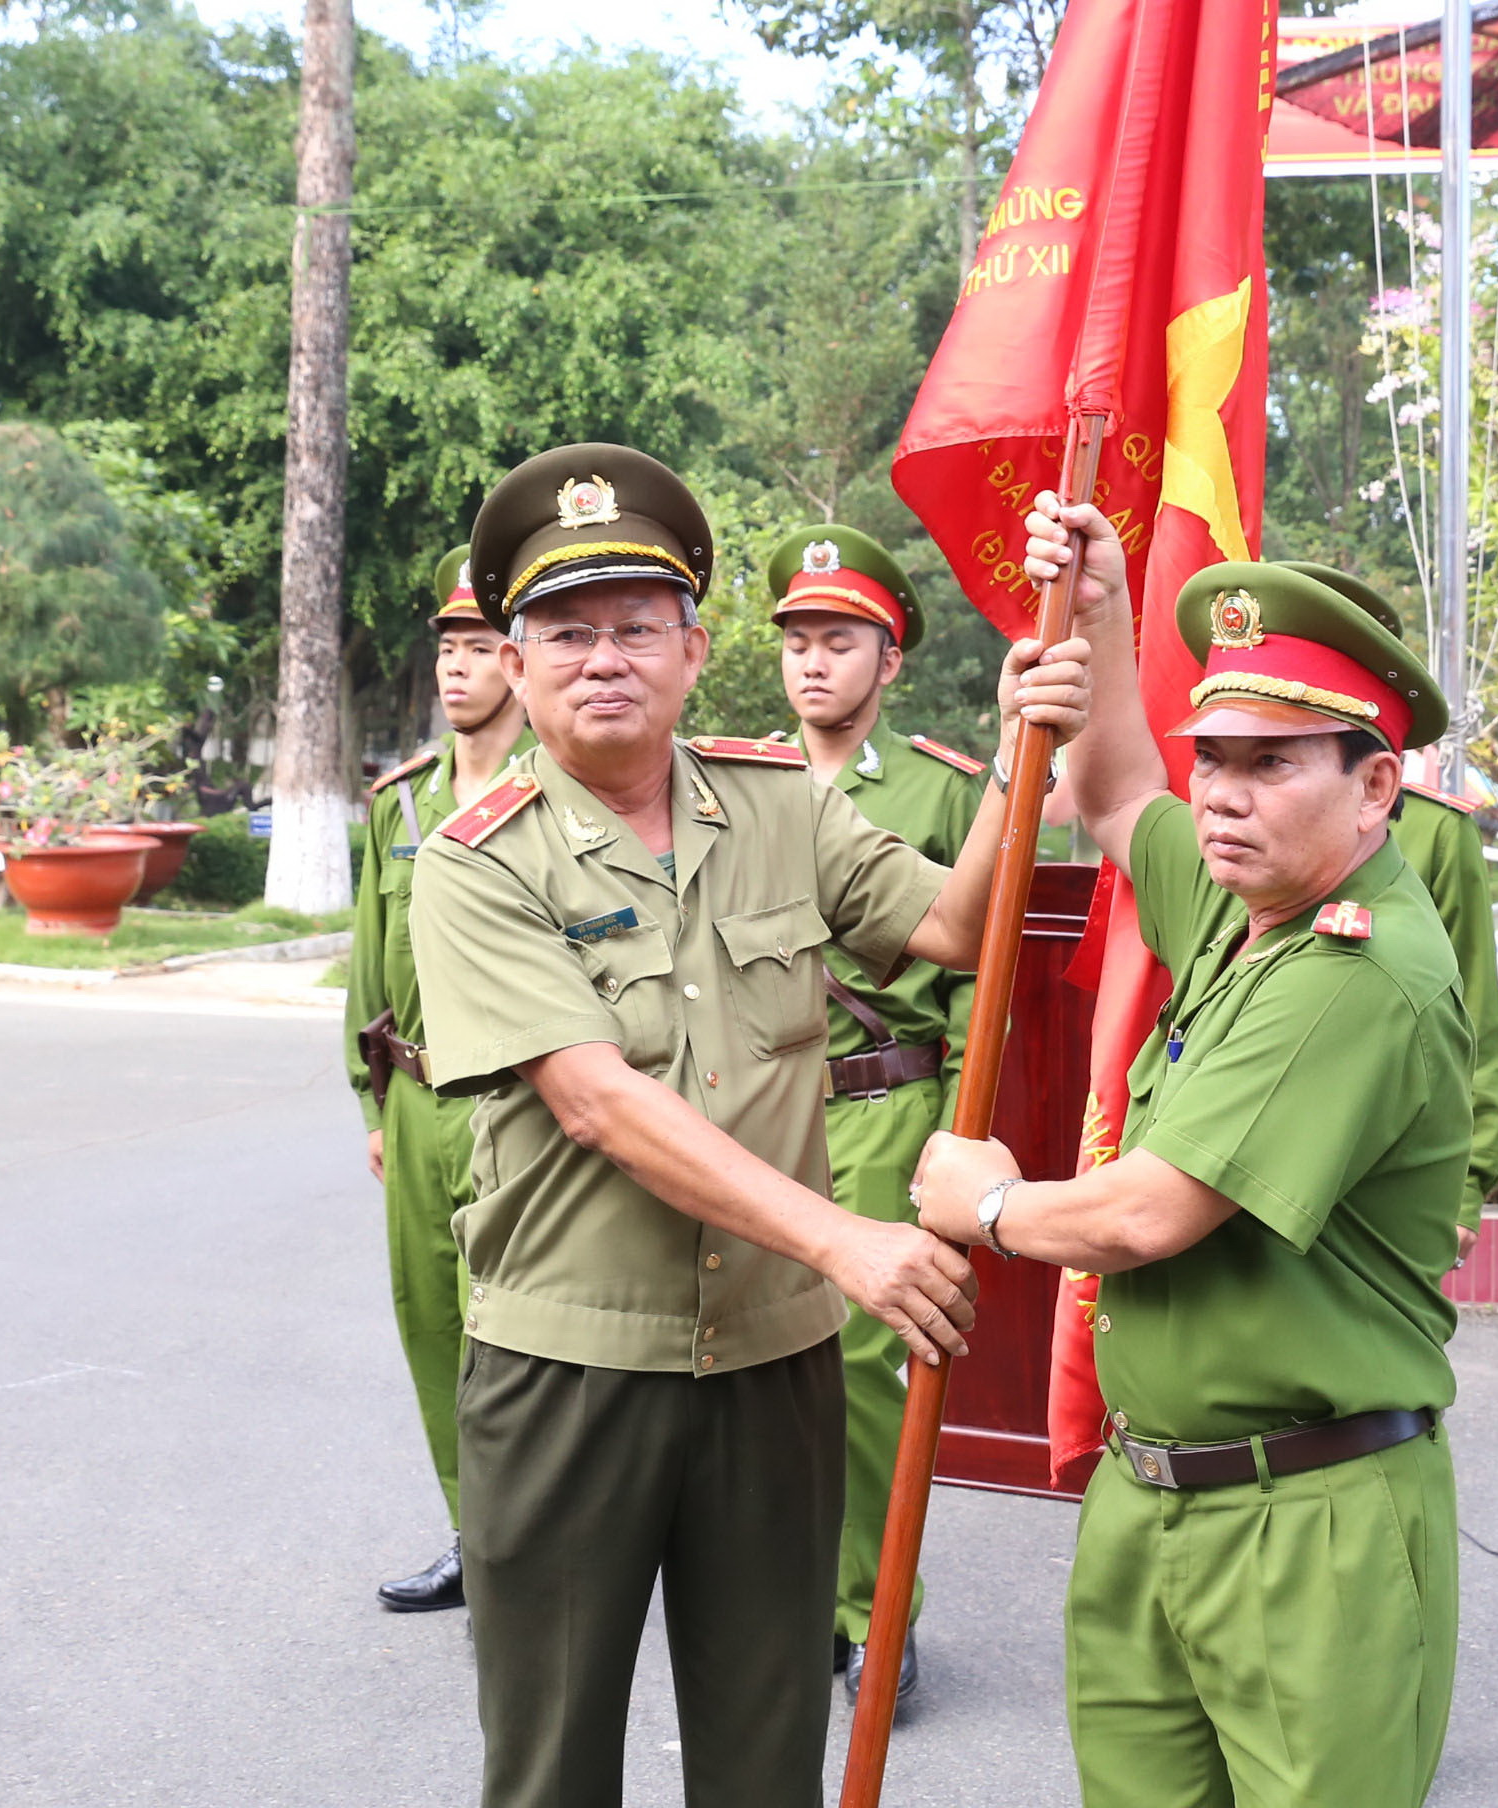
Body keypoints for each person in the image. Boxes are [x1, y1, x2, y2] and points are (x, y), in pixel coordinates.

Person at [411, 444, 1081, 1808]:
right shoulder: (476, 860)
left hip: (773, 1365)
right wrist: (846, 1243)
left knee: (767, 1753)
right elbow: (598, 1099)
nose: (605, 659)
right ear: (520, 661)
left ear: (692, 649)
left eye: (636, 629)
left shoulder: (784, 807)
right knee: (550, 1769)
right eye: (567, 631)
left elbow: (953, 926)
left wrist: (1025, 752)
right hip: (569, 1372)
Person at [912, 499, 1473, 1808]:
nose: (1222, 793)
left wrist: (987, 1200)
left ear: (1375, 784)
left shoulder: (1356, 969)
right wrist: (1100, 607)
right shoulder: (1246, 908)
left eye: (1272, 761)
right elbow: (1110, 789)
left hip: (1306, 1521)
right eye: (1213, 753)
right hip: (1153, 1493)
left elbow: (1147, 1217)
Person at [761, 523, 978, 1708]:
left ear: (889, 661)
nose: (813, 662)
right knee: (758, 1361)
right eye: (797, 640)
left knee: (859, 1370)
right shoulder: (733, 778)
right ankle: (778, 1593)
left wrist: (957, 1132)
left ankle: (869, 1617)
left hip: (885, 1102)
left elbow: (984, 977)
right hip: (760, 1113)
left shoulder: (943, 790)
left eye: (839, 641)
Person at [350, 549, 530, 1614]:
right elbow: (369, 956)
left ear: (515, 659)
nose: (454, 670)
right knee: (431, 1324)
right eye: (445, 650)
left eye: (475, 649)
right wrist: (371, 1099)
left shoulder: (555, 793)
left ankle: (539, 1535)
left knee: (519, 1333)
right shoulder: (401, 801)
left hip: (518, 1097)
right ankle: (475, 1532)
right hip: (416, 1098)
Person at [1280, 560, 1498, 1254]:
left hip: (1376, 1157)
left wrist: (1467, 1187)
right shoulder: (1235, 823)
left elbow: (1475, 1010)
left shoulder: (1437, 833)